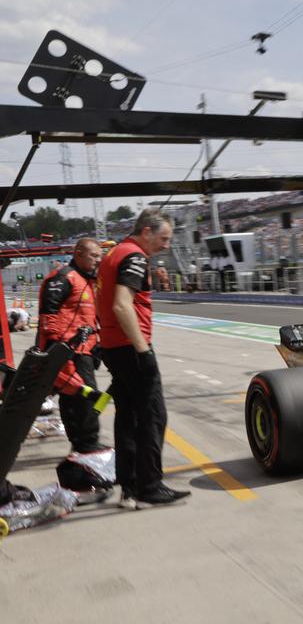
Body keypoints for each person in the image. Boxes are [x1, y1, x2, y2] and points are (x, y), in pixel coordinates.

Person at [96, 209, 191, 508]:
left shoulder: (114, 253)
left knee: (128, 417)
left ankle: (130, 487)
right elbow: (122, 305)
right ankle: (150, 485)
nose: (165, 245)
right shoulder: (134, 257)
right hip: (130, 348)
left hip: (113, 346)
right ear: (146, 232)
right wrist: (143, 350)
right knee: (152, 416)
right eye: (163, 239)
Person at [37, 238, 106, 454]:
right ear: (78, 254)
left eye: (99, 255)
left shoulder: (90, 280)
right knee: (85, 397)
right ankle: (86, 444)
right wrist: (58, 349)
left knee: (75, 398)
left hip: (85, 350)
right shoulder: (63, 277)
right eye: (93, 255)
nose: (98, 259)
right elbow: (49, 315)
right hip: (68, 351)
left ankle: (82, 442)